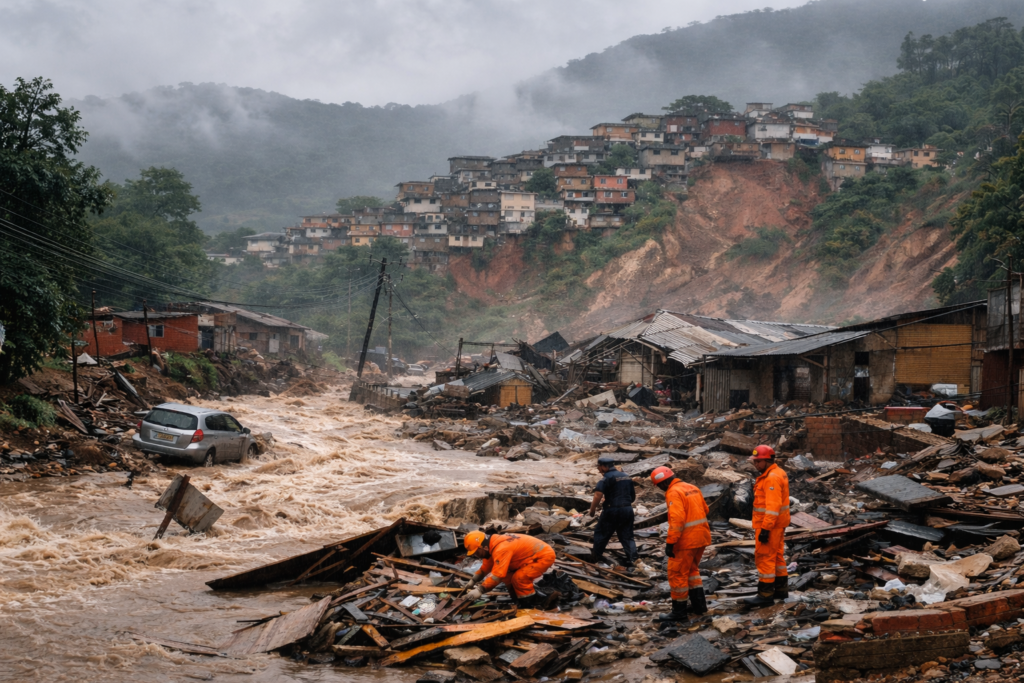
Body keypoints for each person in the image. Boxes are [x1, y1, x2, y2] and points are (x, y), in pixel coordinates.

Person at [650, 465, 711, 622]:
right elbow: (706, 510)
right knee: (692, 571)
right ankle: (700, 607)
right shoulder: (692, 487)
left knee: (677, 574)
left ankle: (679, 612)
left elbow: (677, 520)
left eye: (659, 486)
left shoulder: (673, 492)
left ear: (662, 483)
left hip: (686, 541)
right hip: (701, 537)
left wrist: (670, 542)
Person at [743, 445, 791, 606]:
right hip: (778, 524)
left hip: (770, 525)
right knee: (777, 557)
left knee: (765, 558)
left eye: (758, 461)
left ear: (767, 460)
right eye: (755, 462)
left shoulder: (771, 478)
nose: (755, 465)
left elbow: (772, 506)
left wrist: (765, 528)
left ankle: (765, 595)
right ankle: (781, 591)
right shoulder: (778, 473)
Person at [461, 530, 556, 608]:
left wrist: (480, 590)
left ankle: (530, 605)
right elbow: (487, 566)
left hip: (543, 556)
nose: (475, 555)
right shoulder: (492, 545)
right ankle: (517, 600)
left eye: (476, 552)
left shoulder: (501, 548)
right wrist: (473, 580)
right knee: (508, 577)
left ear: (483, 547)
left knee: (519, 578)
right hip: (528, 556)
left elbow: (497, 575)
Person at [587, 456, 638, 567]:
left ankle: (595, 559)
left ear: (604, 467)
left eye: (599, 467)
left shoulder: (606, 478)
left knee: (601, 534)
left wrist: (592, 510)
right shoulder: (626, 476)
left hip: (612, 511)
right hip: (627, 509)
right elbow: (632, 497)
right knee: (627, 536)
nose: (598, 470)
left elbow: (598, 495)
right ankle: (634, 561)